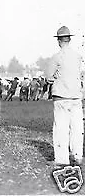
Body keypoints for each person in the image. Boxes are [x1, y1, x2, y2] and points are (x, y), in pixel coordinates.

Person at [46, 26, 84, 167]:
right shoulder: (78, 57)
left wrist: (55, 75)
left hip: (61, 97)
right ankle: (77, 155)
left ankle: (62, 159)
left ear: (59, 41)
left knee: (61, 128)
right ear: (69, 39)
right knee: (77, 127)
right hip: (76, 97)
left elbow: (49, 77)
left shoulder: (56, 57)